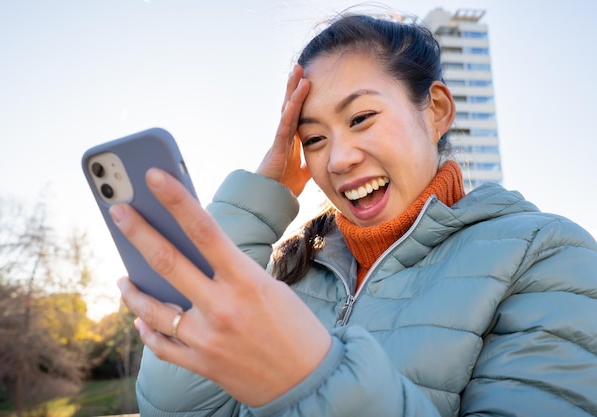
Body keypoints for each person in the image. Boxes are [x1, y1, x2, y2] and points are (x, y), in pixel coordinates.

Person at [110, 10, 597, 417]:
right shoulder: (291, 272)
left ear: (437, 110)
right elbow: (180, 409)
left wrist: (309, 375)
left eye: (361, 118)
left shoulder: (546, 254)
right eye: (314, 138)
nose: (338, 159)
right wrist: (256, 201)